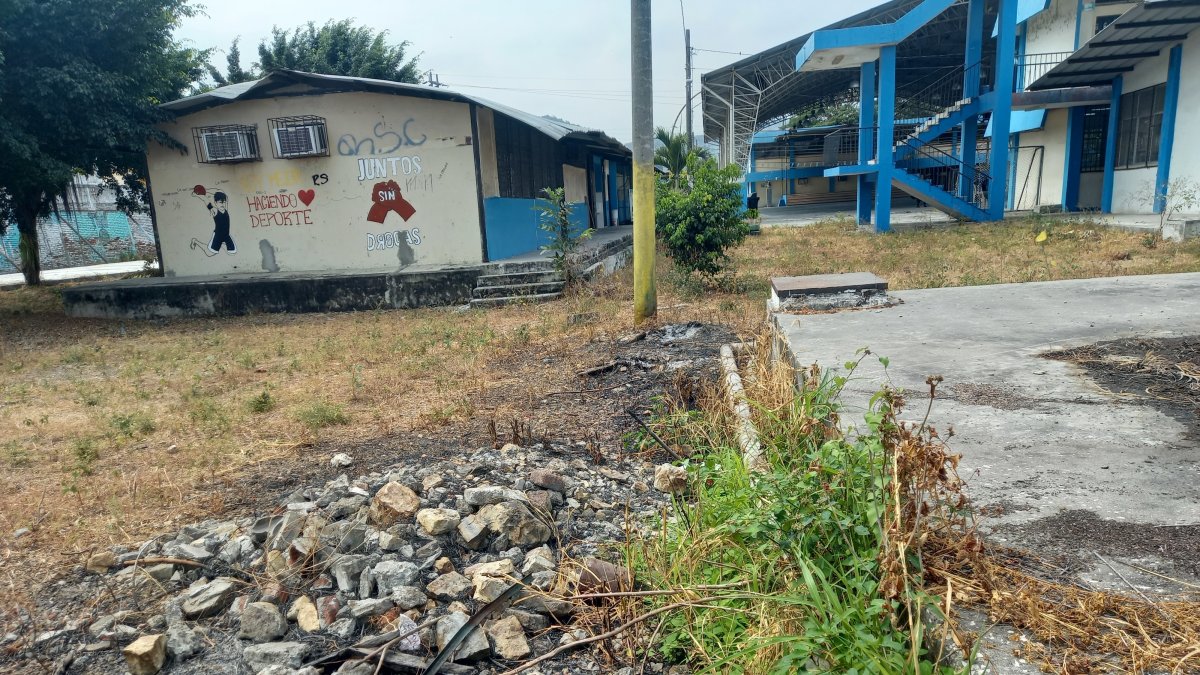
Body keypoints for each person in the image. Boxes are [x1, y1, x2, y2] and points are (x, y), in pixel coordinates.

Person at [190, 189, 237, 256]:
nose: (223, 204)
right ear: (215, 203)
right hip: (218, 236)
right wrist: (198, 195)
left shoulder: (226, 209)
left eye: (224, 202)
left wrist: (208, 191)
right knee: (210, 254)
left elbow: (224, 193)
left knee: (232, 252)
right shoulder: (215, 211)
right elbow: (206, 200)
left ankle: (221, 244)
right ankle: (195, 241)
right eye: (220, 202)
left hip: (226, 236)